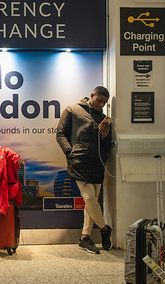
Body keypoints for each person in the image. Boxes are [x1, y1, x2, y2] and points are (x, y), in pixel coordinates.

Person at [56, 85, 113, 254]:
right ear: (91, 95)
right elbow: (60, 134)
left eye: (104, 103)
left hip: (97, 162)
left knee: (93, 200)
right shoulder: (73, 110)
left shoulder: (103, 118)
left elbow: (107, 145)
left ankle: (84, 238)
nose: (101, 105)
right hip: (79, 160)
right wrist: (69, 152)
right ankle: (104, 229)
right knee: (88, 197)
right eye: (99, 100)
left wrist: (104, 135)